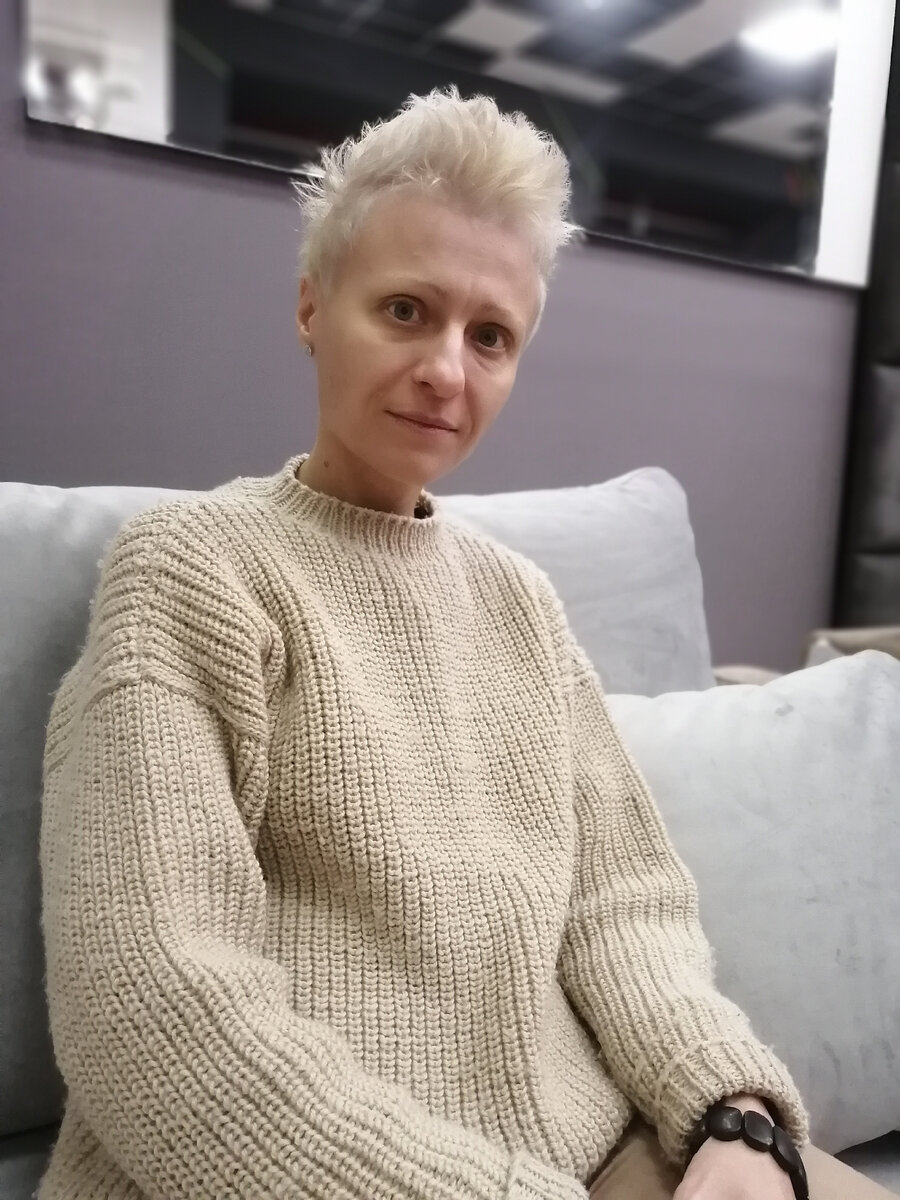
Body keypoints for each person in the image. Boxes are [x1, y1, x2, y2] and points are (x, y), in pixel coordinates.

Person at [37, 86, 892, 1200]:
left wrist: (731, 1113)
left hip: (595, 1151)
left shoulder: (521, 603)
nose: (449, 368)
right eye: (406, 310)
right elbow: (150, 999)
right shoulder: (195, 571)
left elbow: (623, 906)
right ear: (312, 307)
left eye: (491, 336)